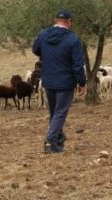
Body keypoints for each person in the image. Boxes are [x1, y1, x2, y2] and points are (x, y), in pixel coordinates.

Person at [32, 8, 86, 154]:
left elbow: (35, 50)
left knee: (54, 112)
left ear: (56, 21)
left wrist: (48, 54)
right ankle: (50, 141)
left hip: (48, 80)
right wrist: (82, 82)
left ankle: (58, 141)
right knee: (60, 112)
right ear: (69, 22)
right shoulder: (73, 39)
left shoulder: (43, 35)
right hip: (65, 81)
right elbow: (77, 64)